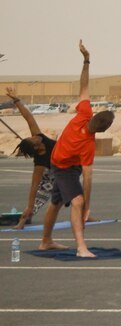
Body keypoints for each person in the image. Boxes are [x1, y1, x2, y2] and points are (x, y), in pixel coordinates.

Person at [44, 42, 114, 257]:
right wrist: (86, 207)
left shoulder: (84, 112)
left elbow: (84, 86)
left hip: (61, 161)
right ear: (102, 131)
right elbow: (88, 178)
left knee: (56, 202)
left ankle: (45, 241)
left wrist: (86, 60)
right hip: (63, 166)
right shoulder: (89, 145)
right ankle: (81, 248)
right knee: (77, 201)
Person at [6, 89, 61, 251]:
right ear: (35, 147)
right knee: (37, 202)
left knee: (76, 194)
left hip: (60, 170)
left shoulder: (39, 136)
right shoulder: (39, 163)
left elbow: (28, 117)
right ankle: (22, 221)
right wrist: (30, 205)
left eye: (32, 137)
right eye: (33, 139)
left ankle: (88, 215)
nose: (35, 136)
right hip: (49, 177)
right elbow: (34, 186)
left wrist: (17, 101)